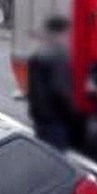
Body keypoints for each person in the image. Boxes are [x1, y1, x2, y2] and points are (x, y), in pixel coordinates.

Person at [27, 16, 76, 150]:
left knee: (42, 152)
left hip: (40, 115)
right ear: (60, 33)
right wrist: (70, 111)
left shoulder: (39, 53)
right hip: (54, 115)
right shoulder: (58, 54)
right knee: (57, 155)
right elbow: (60, 88)